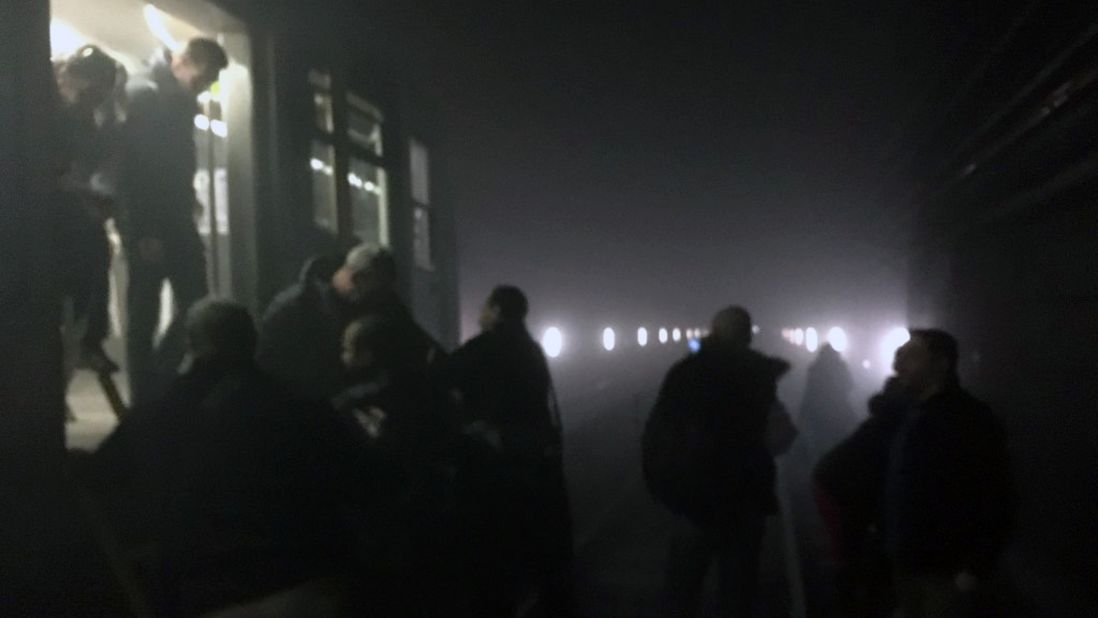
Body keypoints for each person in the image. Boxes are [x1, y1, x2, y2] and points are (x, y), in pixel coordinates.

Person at [88, 300, 372, 616]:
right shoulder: (300, 405)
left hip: (209, 591)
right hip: (306, 581)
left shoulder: (159, 413)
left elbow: (103, 476)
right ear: (253, 342)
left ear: (192, 346)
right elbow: (357, 479)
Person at [642, 305, 789, 617]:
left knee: (682, 592)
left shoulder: (684, 374)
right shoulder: (759, 377)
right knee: (737, 596)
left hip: (694, 500)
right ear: (748, 336)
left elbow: (657, 435)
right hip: (745, 501)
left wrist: (662, 487)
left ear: (713, 331)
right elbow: (781, 435)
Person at [446, 285, 574, 616]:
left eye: (485, 308)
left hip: (495, 458)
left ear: (498, 311)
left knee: (495, 548)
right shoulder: (532, 349)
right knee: (536, 542)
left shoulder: (481, 348)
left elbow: (446, 378)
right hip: (533, 455)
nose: (480, 315)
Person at [118, 38, 228, 405]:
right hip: (154, 220)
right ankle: (148, 391)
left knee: (170, 307)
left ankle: (150, 387)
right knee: (154, 309)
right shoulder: (148, 94)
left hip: (170, 216)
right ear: (183, 61)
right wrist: (145, 230)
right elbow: (138, 167)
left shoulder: (166, 95)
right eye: (204, 76)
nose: (205, 84)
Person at [884, 329, 1013, 618]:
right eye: (899, 356)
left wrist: (976, 567)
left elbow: (997, 495)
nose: (898, 366)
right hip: (910, 563)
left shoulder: (969, 421)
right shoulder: (915, 413)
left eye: (910, 356)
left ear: (941, 365)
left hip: (945, 570)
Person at [258, 243, 442, 401]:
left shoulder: (381, 301)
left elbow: (415, 346)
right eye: (378, 290)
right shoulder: (294, 308)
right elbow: (274, 367)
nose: (380, 298)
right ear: (357, 278)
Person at [814, 377, 912, 617]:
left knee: (854, 549)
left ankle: (853, 599)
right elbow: (873, 485)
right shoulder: (890, 430)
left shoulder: (884, 422)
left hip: (837, 482)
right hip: (837, 488)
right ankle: (848, 604)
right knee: (850, 550)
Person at [54, 45, 124, 374]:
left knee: (95, 262)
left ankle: (88, 341)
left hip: (79, 217)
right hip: (58, 220)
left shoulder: (87, 119)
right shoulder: (55, 116)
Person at [800, 343, 857, 456]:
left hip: (821, 413)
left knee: (823, 445)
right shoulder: (837, 366)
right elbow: (850, 385)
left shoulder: (816, 368)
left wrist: (804, 414)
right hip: (835, 412)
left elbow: (809, 392)